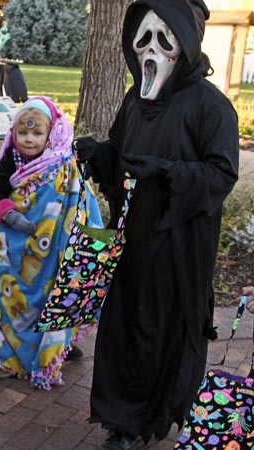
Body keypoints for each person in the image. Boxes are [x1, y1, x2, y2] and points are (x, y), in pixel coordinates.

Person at [73, 1, 239, 447]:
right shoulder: (133, 99)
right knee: (124, 326)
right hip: (133, 240)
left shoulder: (213, 107)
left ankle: (144, 420)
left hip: (178, 247)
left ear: (185, 44)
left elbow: (222, 174)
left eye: (164, 38)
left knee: (157, 328)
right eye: (143, 38)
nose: (151, 49)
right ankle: (118, 418)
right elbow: (120, 150)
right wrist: (101, 155)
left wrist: (167, 173)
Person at [0, 97, 103, 389]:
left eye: (37, 133)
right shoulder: (10, 159)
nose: (29, 139)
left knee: (51, 295)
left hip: (54, 251)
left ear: (51, 134)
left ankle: (53, 347)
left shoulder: (65, 163)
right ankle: (12, 350)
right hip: (13, 248)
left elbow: (81, 200)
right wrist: (10, 216)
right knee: (13, 300)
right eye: (23, 132)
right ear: (14, 133)